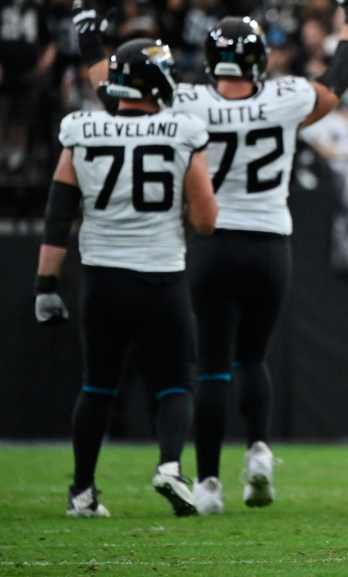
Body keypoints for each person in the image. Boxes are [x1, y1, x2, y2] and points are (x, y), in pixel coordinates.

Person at [72, 0, 348, 515]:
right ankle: (257, 450)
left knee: (210, 365)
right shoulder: (285, 97)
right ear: (258, 60)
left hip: (209, 246)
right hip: (269, 244)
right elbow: (341, 77)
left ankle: (208, 483)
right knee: (252, 358)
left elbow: (121, 100)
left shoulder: (187, 104)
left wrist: (90, 41)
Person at [34, 38, 217, 518]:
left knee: (97, 385)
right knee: (176, 382)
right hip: (160, 277)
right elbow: (205, 219)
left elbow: (58, 214)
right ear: (157, 79)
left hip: (103, 280)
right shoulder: (182, 128)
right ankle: (171, 467)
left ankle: (81, 492)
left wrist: (45, 285)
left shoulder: (82, 127)